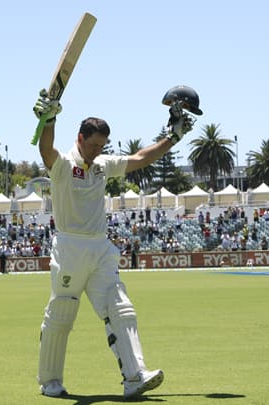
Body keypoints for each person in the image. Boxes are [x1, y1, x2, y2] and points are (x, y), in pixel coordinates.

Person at [33, 86, 199, 398]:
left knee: (121, 307)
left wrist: (172, 138)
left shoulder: (101, 166)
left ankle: (135, 376)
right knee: (62, 313)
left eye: (102, 146)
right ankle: (50, 381)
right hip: (70, 248)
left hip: (100, 249)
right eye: (94, 145)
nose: (98, 150)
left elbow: (139, 158)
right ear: (80, 138)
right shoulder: (62, 166)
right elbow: (46, 150)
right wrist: (49, 119)